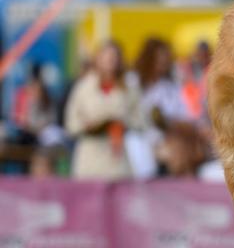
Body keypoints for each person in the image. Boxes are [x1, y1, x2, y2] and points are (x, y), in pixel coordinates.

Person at [65, 41, 140, 180]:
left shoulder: (129, 88)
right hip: (89, 159)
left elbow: (140, 120)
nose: (110, 60)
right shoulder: (84, 87)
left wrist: (122, 124)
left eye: (114, 56)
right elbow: (71, 122)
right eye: (107, 56)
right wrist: (88, 126)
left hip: (117, 157)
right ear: (98, 59)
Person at [135, 38, 207, 177]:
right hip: (150, 143)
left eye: (165, 57)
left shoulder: (171, 86)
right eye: (159, 57)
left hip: (174, 140)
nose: (163, 61)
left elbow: (186, 115)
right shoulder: (137, 84)